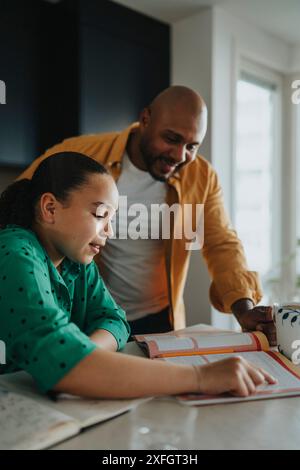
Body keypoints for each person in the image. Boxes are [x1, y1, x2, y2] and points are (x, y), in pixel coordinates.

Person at [0, 152, 277, 398]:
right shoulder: (15, 252)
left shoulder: (77, 261)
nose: (108, 232)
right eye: (100, 215)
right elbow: (60, 363)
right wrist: (201, 376)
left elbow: (115, 320)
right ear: (50, 208)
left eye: (112, 220)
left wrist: (86, 352)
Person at [17, 86, 276, 344]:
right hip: (88, 318)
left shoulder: (200, 176)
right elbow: (17, 206)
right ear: (145, 119)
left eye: (192, 146)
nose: (180, 155)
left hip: (161, 321)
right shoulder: (81, 154)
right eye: (172, 139)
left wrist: (244, 310)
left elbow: (222, 244)